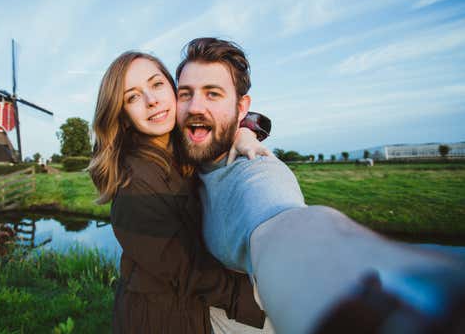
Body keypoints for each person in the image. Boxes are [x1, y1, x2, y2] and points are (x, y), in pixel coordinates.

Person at [175, 37, 465, 334]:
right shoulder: (181, 155)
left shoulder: (254, 172)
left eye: (213, 94)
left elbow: (281, 223)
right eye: (185, 94)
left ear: (241, 107)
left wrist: (391, 299)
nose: (195, 106)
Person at [88, 51, 267, 333]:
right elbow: (189, 273)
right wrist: (262, 303)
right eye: (133, 97)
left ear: (173, 89)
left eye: (157, 84)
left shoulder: (181, 142)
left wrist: (244, 133)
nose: (152, 101)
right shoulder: (133, 186)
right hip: (163, 320)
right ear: (122, 116)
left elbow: (225, 119)